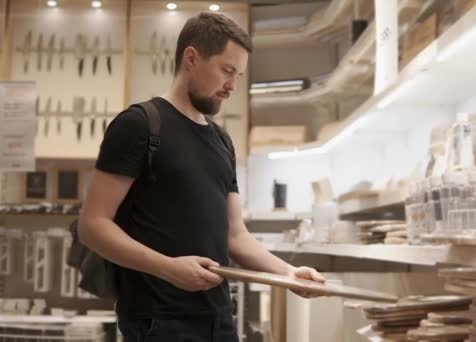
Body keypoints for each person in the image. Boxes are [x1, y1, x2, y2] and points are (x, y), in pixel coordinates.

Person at [78, 12, 325, 342]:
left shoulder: (221, 141)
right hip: (159, 321)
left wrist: (289, 273)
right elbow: (93, 226)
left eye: (238, 75)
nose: (232, 86)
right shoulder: (139, 125)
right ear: (191, 58)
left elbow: (235, 236)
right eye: (226, 70)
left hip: (219, 319)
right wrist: (168, 268)